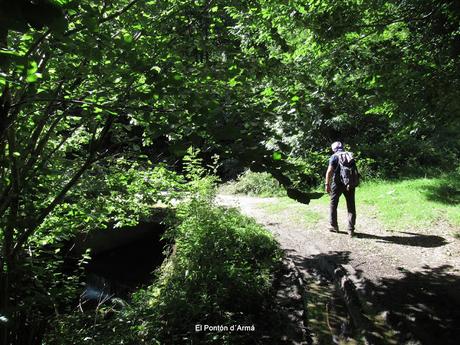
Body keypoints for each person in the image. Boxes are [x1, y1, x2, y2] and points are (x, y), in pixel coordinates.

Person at [325, 141, 356, 236]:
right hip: (349, 184)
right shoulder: (350, 155)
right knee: (351, 206)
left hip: (337, 184)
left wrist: (327, 184)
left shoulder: (334, 157)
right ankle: (350, 229)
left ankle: (334, 226)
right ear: (342, 147)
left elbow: (330, 171)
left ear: (333, 149)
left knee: (333, 204)